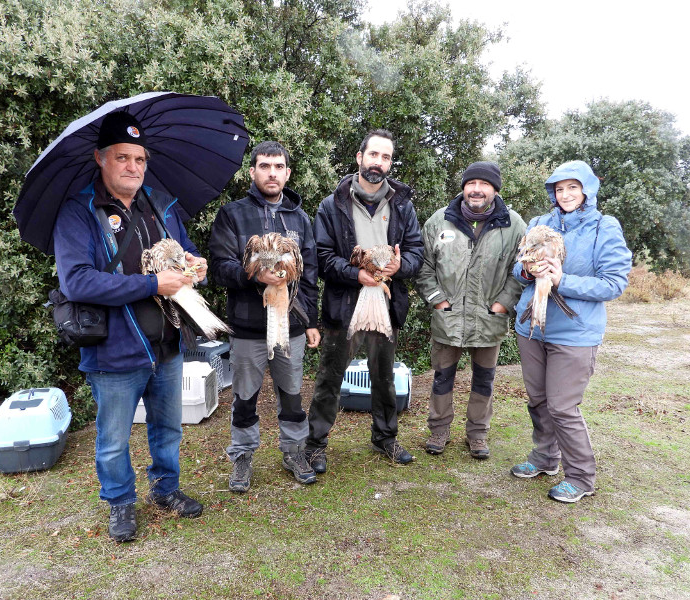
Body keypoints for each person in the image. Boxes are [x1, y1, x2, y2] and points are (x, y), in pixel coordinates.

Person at [53, 112, 206, 542]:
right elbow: (77, 280)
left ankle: (166, 490)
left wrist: (195, 266)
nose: (133, 167)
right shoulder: (79, 211)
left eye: (140, 158)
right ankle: (120, 503)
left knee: (168, 428)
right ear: (100, 158)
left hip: (168, 344)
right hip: (115, 352)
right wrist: (153, 283)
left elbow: (185, 251)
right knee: (114, 439)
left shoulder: (161, 205)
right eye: (123, 157)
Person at [509, 160, 631, 503]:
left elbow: (613, 283)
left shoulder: (603, 227)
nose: (565, 195)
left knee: (562, 406)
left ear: (587, 190)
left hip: (575, 332)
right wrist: (527, 272)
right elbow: (517, 269)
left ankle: (580, 477)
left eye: (572, 187)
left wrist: (563, 280)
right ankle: (545, 458)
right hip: (532, 326)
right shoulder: (538, 223)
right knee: (538, 400)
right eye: (559, 188)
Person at [304, 129, 424, 471]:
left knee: (384, 375)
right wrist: (356, 274)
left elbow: (416, 252)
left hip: (385, 304)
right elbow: (323, 256)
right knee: (330, 376)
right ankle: (315, 444)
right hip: (345, 304)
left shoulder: (402, 205)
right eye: (374, 155)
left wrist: (401, 267)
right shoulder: (332, 205)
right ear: (359, 158)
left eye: (386, 157)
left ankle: (385, 438)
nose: (379, 162)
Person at [209, 141, 320, 492]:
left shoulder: (300, 219)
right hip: (248, 327)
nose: (272, 172)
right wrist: (253, 275)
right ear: (253, 171)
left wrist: (312, 321)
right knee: (244, 396)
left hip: (292, 326)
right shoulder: (233, 214)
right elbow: (219, 268)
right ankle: (242, 456)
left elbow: (312, 273)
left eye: (278, 167)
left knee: (291, 394)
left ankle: (294, 452)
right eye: (264, 166)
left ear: (288, 173)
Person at [415, 162, 526, 459]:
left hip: (490, 320)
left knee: (483, 380)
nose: (476, 189)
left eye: (484, 184)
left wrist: (503, 303)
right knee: (442, 377)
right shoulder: (439, 221)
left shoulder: (513, 225)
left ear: (495, 190)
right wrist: (438, 299)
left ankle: (477, 435)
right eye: (471, 183)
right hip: (447, 318)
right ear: (463, 187)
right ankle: (439, 430)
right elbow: (424, 267)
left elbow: (521, 271)